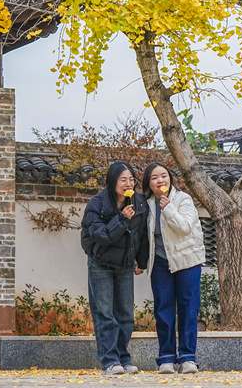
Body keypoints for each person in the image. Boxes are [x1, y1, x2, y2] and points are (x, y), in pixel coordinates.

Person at [80, 161, 149, 376]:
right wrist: (121, 218)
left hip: (125, 265)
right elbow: (101, 236)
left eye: (131, 179)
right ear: (113, 181)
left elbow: (142, 236)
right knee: (105, 314)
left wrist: (142, 261)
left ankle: (123, 359)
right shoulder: (97, 203)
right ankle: (110, 361)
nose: (128, 183)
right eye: (123, 180)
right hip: (101, 263)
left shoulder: (139, 203)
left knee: (126, 315)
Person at [142, 162, 206, 375]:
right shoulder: (146, 204)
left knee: (188, 309)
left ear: (170, 178)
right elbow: (143, 236)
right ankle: (166, 358)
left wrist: (168, 208)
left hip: (187, 261)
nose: (160, 180)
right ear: (148, 183)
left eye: (164, 176)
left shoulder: (183, 199)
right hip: (160, 262)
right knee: (163, 310)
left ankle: (188, 358)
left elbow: (185, 227)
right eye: (154, 177)